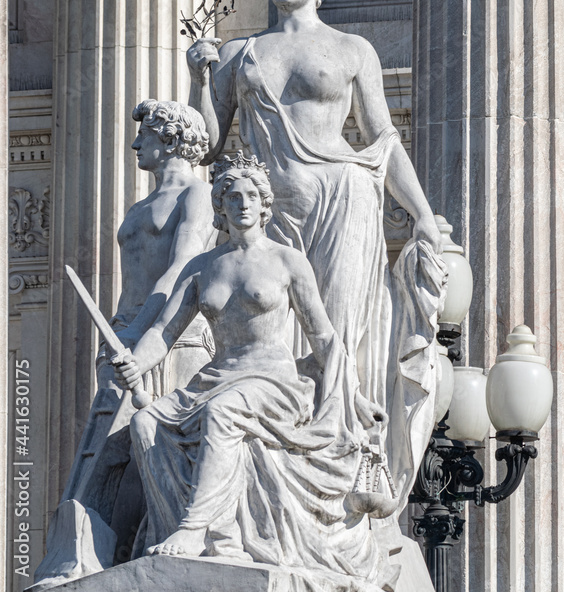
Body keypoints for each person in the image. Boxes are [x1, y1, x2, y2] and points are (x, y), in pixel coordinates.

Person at [186, 0, 446, 508]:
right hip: (264, 208)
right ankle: (271, 457)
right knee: (268, 330)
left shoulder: (352, 49)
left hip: (344, 198)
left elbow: (383, 139)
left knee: (336, 332)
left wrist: (423, 215)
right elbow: (208, 142)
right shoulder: (238, 52)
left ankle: (341, 459)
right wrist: (198, 75)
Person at [114, 153, 383, 585]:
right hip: (216, 376)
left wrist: (352, 394)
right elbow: (164, 333)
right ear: (219, 204)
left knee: (223, 411)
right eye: (232, 195)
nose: (242, 203)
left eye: (251, 196)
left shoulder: (287, 261)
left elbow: (325, 337)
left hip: (272, 381)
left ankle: (194, 527)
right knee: (146, 423)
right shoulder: (201, 267)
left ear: (264, 204)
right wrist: (134, 362)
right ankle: (192, 534)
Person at [33, 101, 217, 588]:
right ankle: (100, 554)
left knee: (161, 441)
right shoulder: (139, 206)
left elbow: (183, 267)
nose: (136, 144)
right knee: (113, 449)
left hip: (172, 335)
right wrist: (121, 331)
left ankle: (164, 543)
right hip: (124, 330)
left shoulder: (198, 194)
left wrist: (144, 334)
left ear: (172, 138)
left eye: (147, 135)